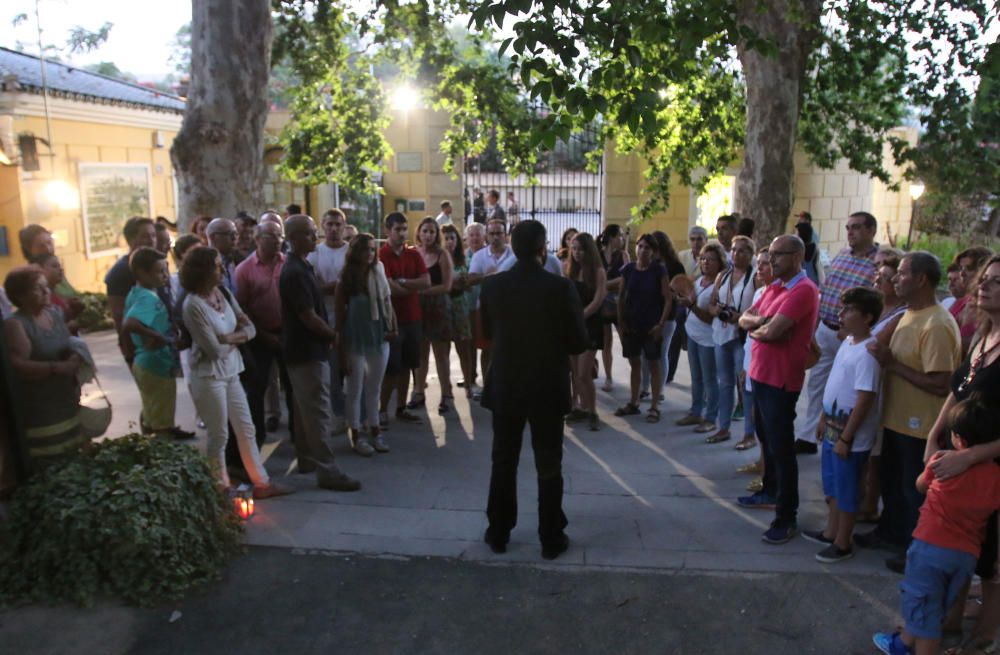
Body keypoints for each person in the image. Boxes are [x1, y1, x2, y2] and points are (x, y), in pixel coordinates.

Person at [480, 220, 588, 560]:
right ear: (544, 249)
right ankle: (551, 536)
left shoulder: (493, 286)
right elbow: (577, 341)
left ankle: (498, 530)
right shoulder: (560, 287)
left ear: (512, 247)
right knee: (548, 462)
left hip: (507, 382)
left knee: (503, 459)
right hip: (546, 383)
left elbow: (486, 332)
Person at [858, 252, 961, 573]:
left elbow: (941, 383)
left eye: (901, 274)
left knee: (912, 491)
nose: (893, 278)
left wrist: (892, 364)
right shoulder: (909, 314)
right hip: (895, 420)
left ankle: (914, 549)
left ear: (921, 280)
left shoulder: (937, 323)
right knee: (891, 483)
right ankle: (890, 531)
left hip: (920, 426)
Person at [872, 398, 1000, 655]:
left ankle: (914, 649)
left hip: (930, 550)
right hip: (966, 556)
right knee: (935, 606)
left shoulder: (942, 461)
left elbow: (921, 484)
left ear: (959, 440)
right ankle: (904, 642)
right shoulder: (995, 475)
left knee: (926, 613)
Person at [920, 255, 1000, 654]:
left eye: (995, 282)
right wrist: (935, 436)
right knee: (964, 546)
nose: (983, 285)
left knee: (993, 562)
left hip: (989, 467)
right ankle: (951, 617)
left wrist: (969, 458)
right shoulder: (983, 336)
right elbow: (957, 391)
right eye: (984, 278)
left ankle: (984, 639)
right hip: (959, 458)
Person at [180, 247, 292, 498]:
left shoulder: (224, 293)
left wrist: (231, 336)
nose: (221, 269)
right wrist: (236, 338)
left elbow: (249, 327)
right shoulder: (193, 305)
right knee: (219, 435)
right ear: (203, 271)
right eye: (217, 265)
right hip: (209, 377)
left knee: (246, 427)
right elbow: (213, 350)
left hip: (232, 372)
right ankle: (220, 487)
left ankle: (261, 482)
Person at [737, 235, 820, 545]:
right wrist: (762, 322)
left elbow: (774, 332)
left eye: (778, 255)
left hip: (781, 379)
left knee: (782, 448)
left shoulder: (803, 290)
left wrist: (761, 326)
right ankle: (769, 491)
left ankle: (787, 516)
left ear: (797, 256)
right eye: (770, 254)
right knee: (766, 438)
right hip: (759, 373)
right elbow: (746, 318)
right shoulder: (774, 287)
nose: (771, 261)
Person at [279, 215, 361, 491]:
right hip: (306, 351)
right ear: (293, 238)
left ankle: (306, 460)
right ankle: (327, 469)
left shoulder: (302, 266)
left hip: (304, 350)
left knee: (305, 412)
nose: (316, 237)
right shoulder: (294, 272)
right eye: (310, 233)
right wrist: (332, 335)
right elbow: (308, 315)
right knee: (317, 412)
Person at [802, 287, 884, 563]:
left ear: (868, 317)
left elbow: (865, 398)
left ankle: (843, 541)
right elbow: (835, 384)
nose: (841, 313)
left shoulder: (867, 353)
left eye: (849, 310)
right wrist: (823, 418)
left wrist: (847, 438)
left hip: (850, 436)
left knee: (847, 490)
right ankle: (830, 531)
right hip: (833, 428)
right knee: (834, 486)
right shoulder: (848, 342)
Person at [796, 212, 880, 456]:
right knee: (818, 384)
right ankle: (808, 436)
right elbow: (828, 287)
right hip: (827, 328)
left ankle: (843, 439)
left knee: (846, 390)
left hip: (852, 336)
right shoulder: (842, 255)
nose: (850, 232)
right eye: (848, 227)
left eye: (856, 228)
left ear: (871, 230)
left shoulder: (877, 261)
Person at [3, 266, 86, 466]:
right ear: (20, 296)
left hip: (67, 399)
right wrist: (55, 368)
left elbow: (69, 342)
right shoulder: (16, 324)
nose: (46, 291)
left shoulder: (55, 313)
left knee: (75, 458)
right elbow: (17, 365)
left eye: (45, 287)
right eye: (38, 288)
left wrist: (75, 357)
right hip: (41, 408)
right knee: (53, 463)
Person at [335, 233, 396, 456]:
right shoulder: (346, 279)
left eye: (372, 249)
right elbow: (340, 319)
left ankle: (375, 430)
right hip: (354, 341)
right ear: (355, 252)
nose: (369, 254)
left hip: (378, 338)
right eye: (364, 250)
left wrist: (393, 327)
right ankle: (356, 433)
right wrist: (341, 352)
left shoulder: (378, 272)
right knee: (354, 389)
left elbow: (388, 301)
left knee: (374, 388)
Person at [235, 221, 294, 447]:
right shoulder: (244, 269)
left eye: (280, 236)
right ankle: (257, 436)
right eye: (271, 236)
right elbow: (242, 308)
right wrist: (263, 334)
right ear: (257, 239)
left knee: (292, 388)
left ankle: (297, 434)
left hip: (287, 333)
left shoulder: (287, 263)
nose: (278, 240)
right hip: (258, 337)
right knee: (256, 389)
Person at [123, 247, 192, 441]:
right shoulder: (147, 298)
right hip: (154, 362)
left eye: (166, 269)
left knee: (154, 409)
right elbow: (130, 323)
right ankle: (163, 446)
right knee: (159, 415)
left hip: (150, 361)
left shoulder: (138, 292)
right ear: (142, 273)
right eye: (159, 271)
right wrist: (158, 336)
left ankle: (164, 432)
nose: (165, 275)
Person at [378, 212, 430, 425]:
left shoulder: (414, 254)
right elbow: (389, 289)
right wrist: (410, 284)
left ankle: (401, 407)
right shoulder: (381, 256)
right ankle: (381, 410)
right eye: (397, 229)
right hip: (392, 320)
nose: (402, 233)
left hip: (413, 317)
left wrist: (402, 282)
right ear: (387, 231)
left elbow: (426, 282)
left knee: (408, 365)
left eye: (404, 229)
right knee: (391, 368)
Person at [614, 234, 673, 423]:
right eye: (640, 246)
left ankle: (654, 406)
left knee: (653, 363)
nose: (642, 250)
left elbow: (667, 299)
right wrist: (621, 322)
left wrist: (660, 324)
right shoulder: (628, 269)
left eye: (647, 247)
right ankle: (634, 401)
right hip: (632, 324)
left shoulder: (659, 270)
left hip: (651, 325)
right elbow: (621, 297)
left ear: (654, 251)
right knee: (634, 364)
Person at [706, 235, 756, 444]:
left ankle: (748, 434)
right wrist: (716, 310)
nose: (737, 254)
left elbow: (760, 307)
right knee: (724, 383)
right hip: (721, 334)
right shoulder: (723, 276)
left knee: (745, 386)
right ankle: (723, 427)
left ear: (751, 255)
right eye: (734, 250)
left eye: (743, 250)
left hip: (741, 337)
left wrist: (741, 317)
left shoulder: (754, 277)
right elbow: (711, 304)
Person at [307, 209, 350, 430]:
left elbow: (355, 287)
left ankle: (355, 416)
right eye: (330, 224)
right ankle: (337, 415)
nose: (334, 229)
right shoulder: (314, 254)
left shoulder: (351, 252)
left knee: (352, 370)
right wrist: (340, 285)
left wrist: (335, 288)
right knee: (331, 372)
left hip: (350, 319)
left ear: (344, 226)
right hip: (325, 319)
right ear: (323, 226)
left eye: (338, 224)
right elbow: (313, 288)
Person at [675, 243, 726, 432]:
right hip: (692, 335)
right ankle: (696, 411)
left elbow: (708, 317)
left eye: (710, 259)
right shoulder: (698, 281)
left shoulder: (719, 286)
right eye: (703, 258)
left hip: (708, 339)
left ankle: (711, 418)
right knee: (696, 378)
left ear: (719, 262)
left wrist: (691, 306)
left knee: (709, 379)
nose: (705, 262)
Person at [736, 248, 773, 486]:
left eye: (766, 264)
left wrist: (754, 321)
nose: (759, 269)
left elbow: (762, 326)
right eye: (758, 264)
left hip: (767, 367)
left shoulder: (779, 294)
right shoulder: (760, 291)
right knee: (755, 416)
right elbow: (745, 321)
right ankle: (761, 461)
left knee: (768, 423)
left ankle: (767, 473)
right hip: (752, 360)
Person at [410, 217, 455, 415]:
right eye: (425, 231)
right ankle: (419, 391)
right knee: (420, 352)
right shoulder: (412, 253)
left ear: (437, 235)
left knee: (441, 353)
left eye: (432, 231)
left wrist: (423, 291)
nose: (428, 235)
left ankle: (446, 394)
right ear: (418, 232)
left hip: (438, 307)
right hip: (417, 308)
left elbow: (447, 286)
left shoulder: (442, 254)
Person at [566, 232, 607, 431]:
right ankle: (581, 407)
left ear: (589, 250)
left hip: (590, 326)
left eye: (580, 249)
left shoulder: (598, 271)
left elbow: (598, 299)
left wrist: (580, 316)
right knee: (574, 372)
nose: (576, 253)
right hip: (572, 326)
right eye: (573, 249)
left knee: (584, 373)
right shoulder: (571, 271)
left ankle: (593, 411)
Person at [105, 217, 159, 365]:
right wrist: (129, 350)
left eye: (153, 235)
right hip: (140, 347)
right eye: (145, 236)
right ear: (131, 240)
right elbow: (119, 315)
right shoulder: (120, 272)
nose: (151, 240)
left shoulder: (155, 266)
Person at [468, 219, 513, 387]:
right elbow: (471, 279)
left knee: (508, 348)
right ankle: (488, 385)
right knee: (486, 349)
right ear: (487, 235)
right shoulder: (480, 256)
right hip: (486, 309)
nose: (495, 237)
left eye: (499, 233)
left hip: (510, 310)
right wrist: (489, 277)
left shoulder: (514, 255)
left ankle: (506, 384)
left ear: (505, 235)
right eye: (492, 233)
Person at [639, 231, 683, 402]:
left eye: (651, 247)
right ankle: (645, 387)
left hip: (668, 315)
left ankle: (661, 389)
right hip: (646, 314)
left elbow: (679, 288)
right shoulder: (645, 265)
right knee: (645, 354)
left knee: (662, 352)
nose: (648, 250)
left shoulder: (674, 266)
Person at [671, 226, 708, 384]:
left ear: (705, 240)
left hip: (700, 303)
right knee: (674, 337)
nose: (696, 242)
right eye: (693, 239)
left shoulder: (709, 258)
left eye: (699, 239)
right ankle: (669, 372)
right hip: (681, 302)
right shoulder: (682, 256)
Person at [442, 225, 475, 399]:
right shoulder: (438, 259)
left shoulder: (465, 260)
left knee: (464, 347)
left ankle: (469, 383)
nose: (449, 242)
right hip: (443, 306)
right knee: (443, 349)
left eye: (452, 238)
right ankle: (445, 386)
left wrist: (462, 282)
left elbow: (469, 283)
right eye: (446, 238)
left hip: (460, 305)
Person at [599, 224, 630, 391]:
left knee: (627, 340)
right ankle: (609, 377)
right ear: (611, 237)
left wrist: (604, 285)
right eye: (619, 236)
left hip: (619, 303)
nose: (622, 239)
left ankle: (635, 373)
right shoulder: (600, 254)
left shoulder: (624, 255)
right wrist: (608, 285)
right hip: (603, 304)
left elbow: (626, 278)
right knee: (606, 343)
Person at [948, 246, 993, 356]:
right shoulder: (960, 302)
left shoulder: (991, 307)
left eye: (968, 268)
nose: (962, 274)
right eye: (961, 268)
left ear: (983, 271)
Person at [463, 222, 488, 392]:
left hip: (485, 304)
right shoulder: (463, 256)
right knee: (469, 342)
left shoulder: (488, 255)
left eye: (478, 234)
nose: (474, 238)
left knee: (486, 343)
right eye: (471, 235)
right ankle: (470, 375)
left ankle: (488, 378)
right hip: (467, 304)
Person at [206, 218, 240, 293]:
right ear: (213, 237)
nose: (234, 238)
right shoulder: (204, 265)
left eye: (236, 234)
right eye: (230, 234)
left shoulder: (233, 260)